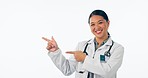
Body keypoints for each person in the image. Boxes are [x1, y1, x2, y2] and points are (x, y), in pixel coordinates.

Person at [42, 9, 124, 78]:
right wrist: (55, 51)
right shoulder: (82, 46)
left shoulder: (117, 48)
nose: (97, 27)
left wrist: (84, 59)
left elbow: (108, 72)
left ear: (108, 23)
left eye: (100, 22)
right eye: (92, 24)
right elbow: (67, 70)